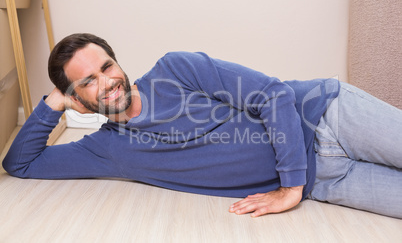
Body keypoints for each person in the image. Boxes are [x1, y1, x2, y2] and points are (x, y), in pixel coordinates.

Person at [3, 33, 402, 218]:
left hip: (330, 117)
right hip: (328, 180)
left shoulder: (176, 69)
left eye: (106, 66)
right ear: (76, 98)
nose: (106, 82)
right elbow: (21, 164)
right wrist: (55, 100)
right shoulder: (107, 150)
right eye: (87, 81)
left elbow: (274, 95)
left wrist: (290, 188)